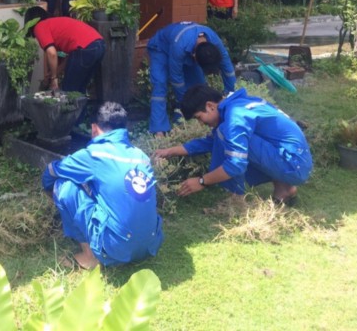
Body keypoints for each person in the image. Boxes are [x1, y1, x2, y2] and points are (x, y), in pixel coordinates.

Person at [42, 101, 163, 269]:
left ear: (94, 128)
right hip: (151, 244)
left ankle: (89, 256)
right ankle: (129, 244)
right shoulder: (141, 156)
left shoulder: (94, 154)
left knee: (64, 185)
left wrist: (48, 188)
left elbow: (53, 170)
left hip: (116, 248)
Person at [154, 85, 312, 204]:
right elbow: (210, 142)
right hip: (295, 159)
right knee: (224, 136)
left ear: (210, 106)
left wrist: (202, 181)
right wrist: (171, 151)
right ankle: (285, 189)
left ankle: (237, 198)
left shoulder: (234, 117)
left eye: (199, 117)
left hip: (293, 164)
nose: (201, 124)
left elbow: (236, 164)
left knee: (227, 138)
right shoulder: (239, 104)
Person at [147, 22, 235, 134]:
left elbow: (228, 68)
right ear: (194, 57)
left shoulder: (214, 41)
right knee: (160, 84)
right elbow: (176, 79)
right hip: (160, 48)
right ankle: (159, 130)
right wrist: (187, 105)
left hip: (186, 46)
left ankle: (182, 117)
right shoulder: (179, 47)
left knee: (199, 85)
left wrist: (231, 95)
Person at [24, 6, 105, 93]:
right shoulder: (55, 24)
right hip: (100, 45)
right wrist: (56, 72)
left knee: (69, 91)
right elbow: (71, 56)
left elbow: (52, 53)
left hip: (85, 49)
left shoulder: (40, 27)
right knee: (80, 90)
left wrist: (54, 78)